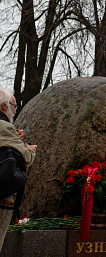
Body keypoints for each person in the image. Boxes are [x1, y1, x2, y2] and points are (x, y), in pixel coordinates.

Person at [0, 88, 37, 251]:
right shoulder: (4, 127)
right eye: (14, 106)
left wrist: (15, 140)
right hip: (3, 195)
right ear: (3, 106)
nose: (15, 110)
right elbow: (25, 157)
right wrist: (30, 149)